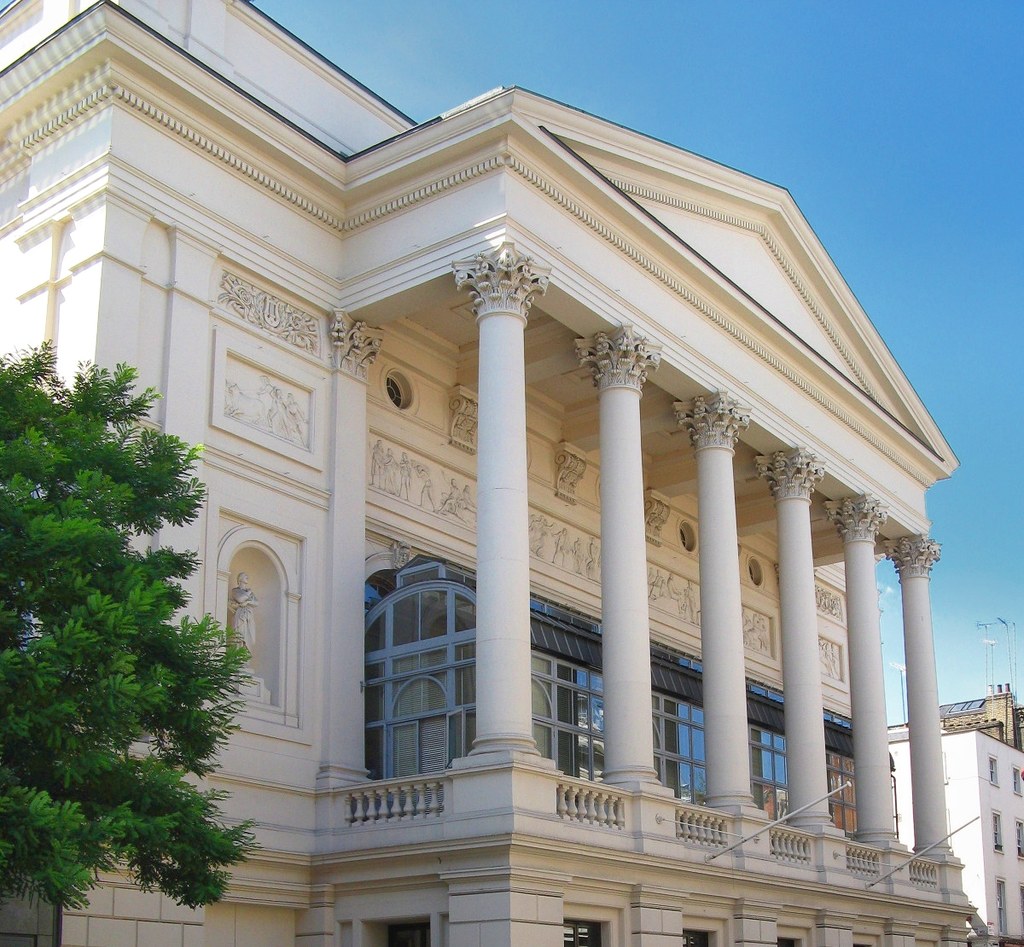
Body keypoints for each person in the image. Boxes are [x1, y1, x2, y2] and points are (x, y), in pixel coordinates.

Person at [229, 572, 259, 649]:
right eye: (245, 576)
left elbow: (256, 603)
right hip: (240, 616)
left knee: (251, 639)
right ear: (240, 579)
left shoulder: (249, 591)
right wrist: (249, 593)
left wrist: (248, 602)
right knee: (240, 636)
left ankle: (246, 657)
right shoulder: (235, 591)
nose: (247, 577)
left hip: (249, 615)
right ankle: (239, 656)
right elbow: (240, 599)